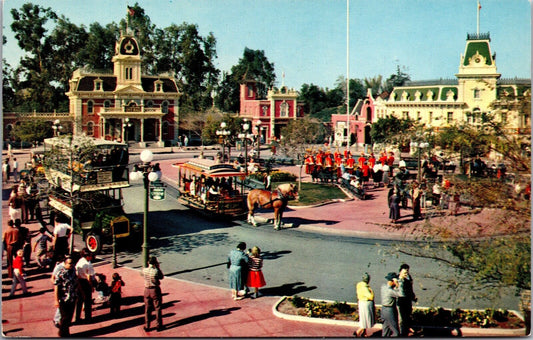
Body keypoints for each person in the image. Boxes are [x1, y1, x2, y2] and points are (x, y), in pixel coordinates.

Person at [54, 256, 79, 337]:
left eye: (72, 263)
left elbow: (76, 283)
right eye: (69, 263)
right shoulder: (61, 274)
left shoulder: (73, 271)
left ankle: (66, 332)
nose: (71, 264)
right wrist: (56, 300)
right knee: (65, 317)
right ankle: (62, 333)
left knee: (69, 317)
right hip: (63, 299)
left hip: (72, 297)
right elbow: (56, 287)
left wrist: (78, 294)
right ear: (65, 264)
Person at [142, 256, 165, 332]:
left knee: (147, 308)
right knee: (157, 307)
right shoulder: (155, 271)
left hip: (146, 289)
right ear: (155, 263)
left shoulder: (144, 270)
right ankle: (158, 325)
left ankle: (147, 325)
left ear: (148, 262)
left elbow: (142, 275)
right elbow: (161, 277)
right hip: (154, 289)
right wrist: (158, 268)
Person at [75, 248, 95, 324]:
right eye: (90, 255)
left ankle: (77, 317)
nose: (92, 257)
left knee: (79, 301)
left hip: (79, 281)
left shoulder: (80, 261)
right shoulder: (87, 264)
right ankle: (88, 318)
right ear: (87, 256)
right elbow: (89, 276)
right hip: (85, 282)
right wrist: (91, 285)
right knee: (87, 300)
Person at [397, 264, 417, 337]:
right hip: (400, 301)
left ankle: (405, 332)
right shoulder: (396, 280)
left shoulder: (408, 279)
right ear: (400, 272)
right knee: (401, 319)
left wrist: (413, 297)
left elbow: (410, 290)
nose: (406, 274)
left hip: (407, 301)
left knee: (407, 317)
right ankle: (401, 333)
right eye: (405, 272)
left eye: (407, 272)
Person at [380, 272, 402, 337]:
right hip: (390, 310)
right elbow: (401, 294)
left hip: (384, 310)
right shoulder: (390, 291)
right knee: (395, 331)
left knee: (385, 330)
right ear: (393, 281)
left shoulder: (383, 287)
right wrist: (398, 285)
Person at [355, 272, 375, 337]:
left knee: (364, 319)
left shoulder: (359, 285)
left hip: (361, 303)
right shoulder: (365, 288)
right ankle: (358, 332)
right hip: (365, 304)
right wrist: (371, 291)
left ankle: (364, 333)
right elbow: (371, 297)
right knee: (366, 319)